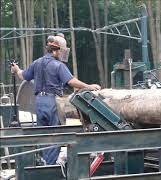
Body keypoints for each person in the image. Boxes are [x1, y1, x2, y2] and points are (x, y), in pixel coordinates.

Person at [11, 34, 101, 165]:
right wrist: (89, 86)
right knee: (56, 135)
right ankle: (50, 166)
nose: (62, 53)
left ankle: (45, 164)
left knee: (43, 135)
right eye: (61, 51)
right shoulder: (58, 65)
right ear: (56, 50)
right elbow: (71, 81)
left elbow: (22, 76)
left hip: (39, 103)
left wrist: (16, 69)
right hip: (52, 102)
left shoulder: (37, 63)